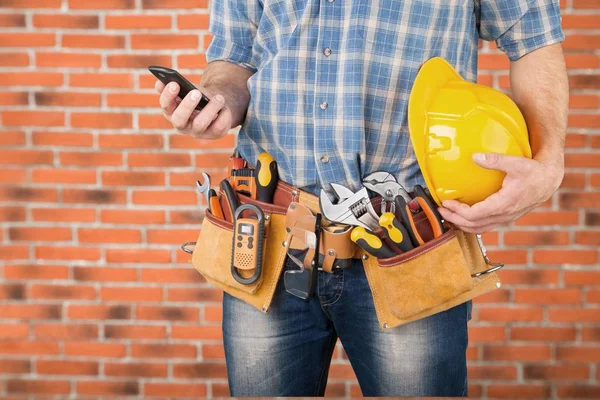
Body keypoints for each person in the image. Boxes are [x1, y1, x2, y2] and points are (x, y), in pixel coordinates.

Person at [155, 1, 568, 396]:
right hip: (268, 240)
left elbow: (534, 39)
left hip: (410, 247)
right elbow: (235, 57)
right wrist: (219, 100)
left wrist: (548, 164)